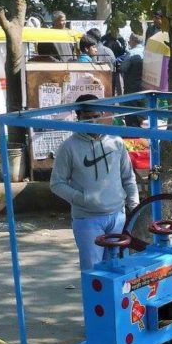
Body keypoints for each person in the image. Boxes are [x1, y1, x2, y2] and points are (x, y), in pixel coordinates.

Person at [51, 94, 139, 272]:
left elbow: (128, 177)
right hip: (87, 219)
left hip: (117, 216)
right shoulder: (69, 146)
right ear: (78, 118)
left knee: (115, 270)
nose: (93, 121)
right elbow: (56, 183)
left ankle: (109, 302)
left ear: (103, 114)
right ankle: (93, 301)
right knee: (92, 272)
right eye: (87, 117)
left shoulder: (116, 142)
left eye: (96, 116)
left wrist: (134, 205)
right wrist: (82, 198)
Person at [119, 35, 145, 127]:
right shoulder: (147, 51)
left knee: (131, 111)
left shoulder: (131, 53)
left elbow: (123, 68)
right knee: (144, 112)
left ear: (134, 41)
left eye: (129, 40)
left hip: (132, 86)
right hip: (146, 86)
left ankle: (132, 135)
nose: (129, 42)